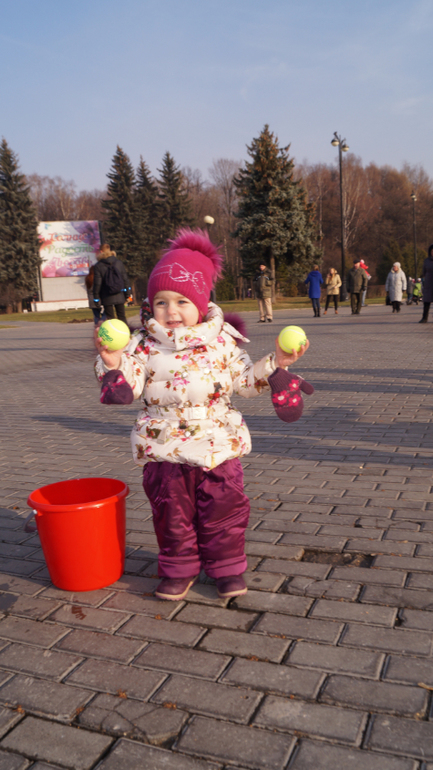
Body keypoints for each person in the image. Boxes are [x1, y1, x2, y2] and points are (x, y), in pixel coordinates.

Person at [94, 229, 309, 602]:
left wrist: (276, 363)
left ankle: (227, 568)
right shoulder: (141, 344)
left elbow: (244, 381)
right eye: (161, 302)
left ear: (201, 302)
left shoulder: (223, 340)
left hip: (217, 443)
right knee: (171, 514)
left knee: (225, 510)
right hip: (163, 446)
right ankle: (179, 569)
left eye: (182, 301)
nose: (171, 311)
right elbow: (128, 384)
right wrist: (112, 363)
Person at [93, 244, 131, 324]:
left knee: (110, 319)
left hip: (106, 296)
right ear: (110, 250)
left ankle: (113, 332)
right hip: (119, 294)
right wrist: (128, 294)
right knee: (122, 317)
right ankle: (126, 331)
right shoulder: (119, 263)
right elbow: (125, 279)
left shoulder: (98, 266)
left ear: (101, 251)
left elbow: (97, 284)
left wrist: (96, 298)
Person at [419, 244, 433, 323]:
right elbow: (424, 272)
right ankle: (424, 318)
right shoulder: (426, 261)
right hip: (428, 284)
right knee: (426, 302)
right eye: (432, 251)